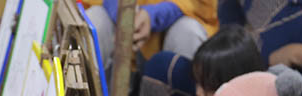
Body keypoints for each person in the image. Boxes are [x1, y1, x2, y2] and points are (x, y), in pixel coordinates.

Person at [84, 0, 218, 71]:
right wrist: (121, 12)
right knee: (93, 22)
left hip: (172, 22)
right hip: (115, 23)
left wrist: (156, 14)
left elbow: (200, 4)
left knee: (188, 33)